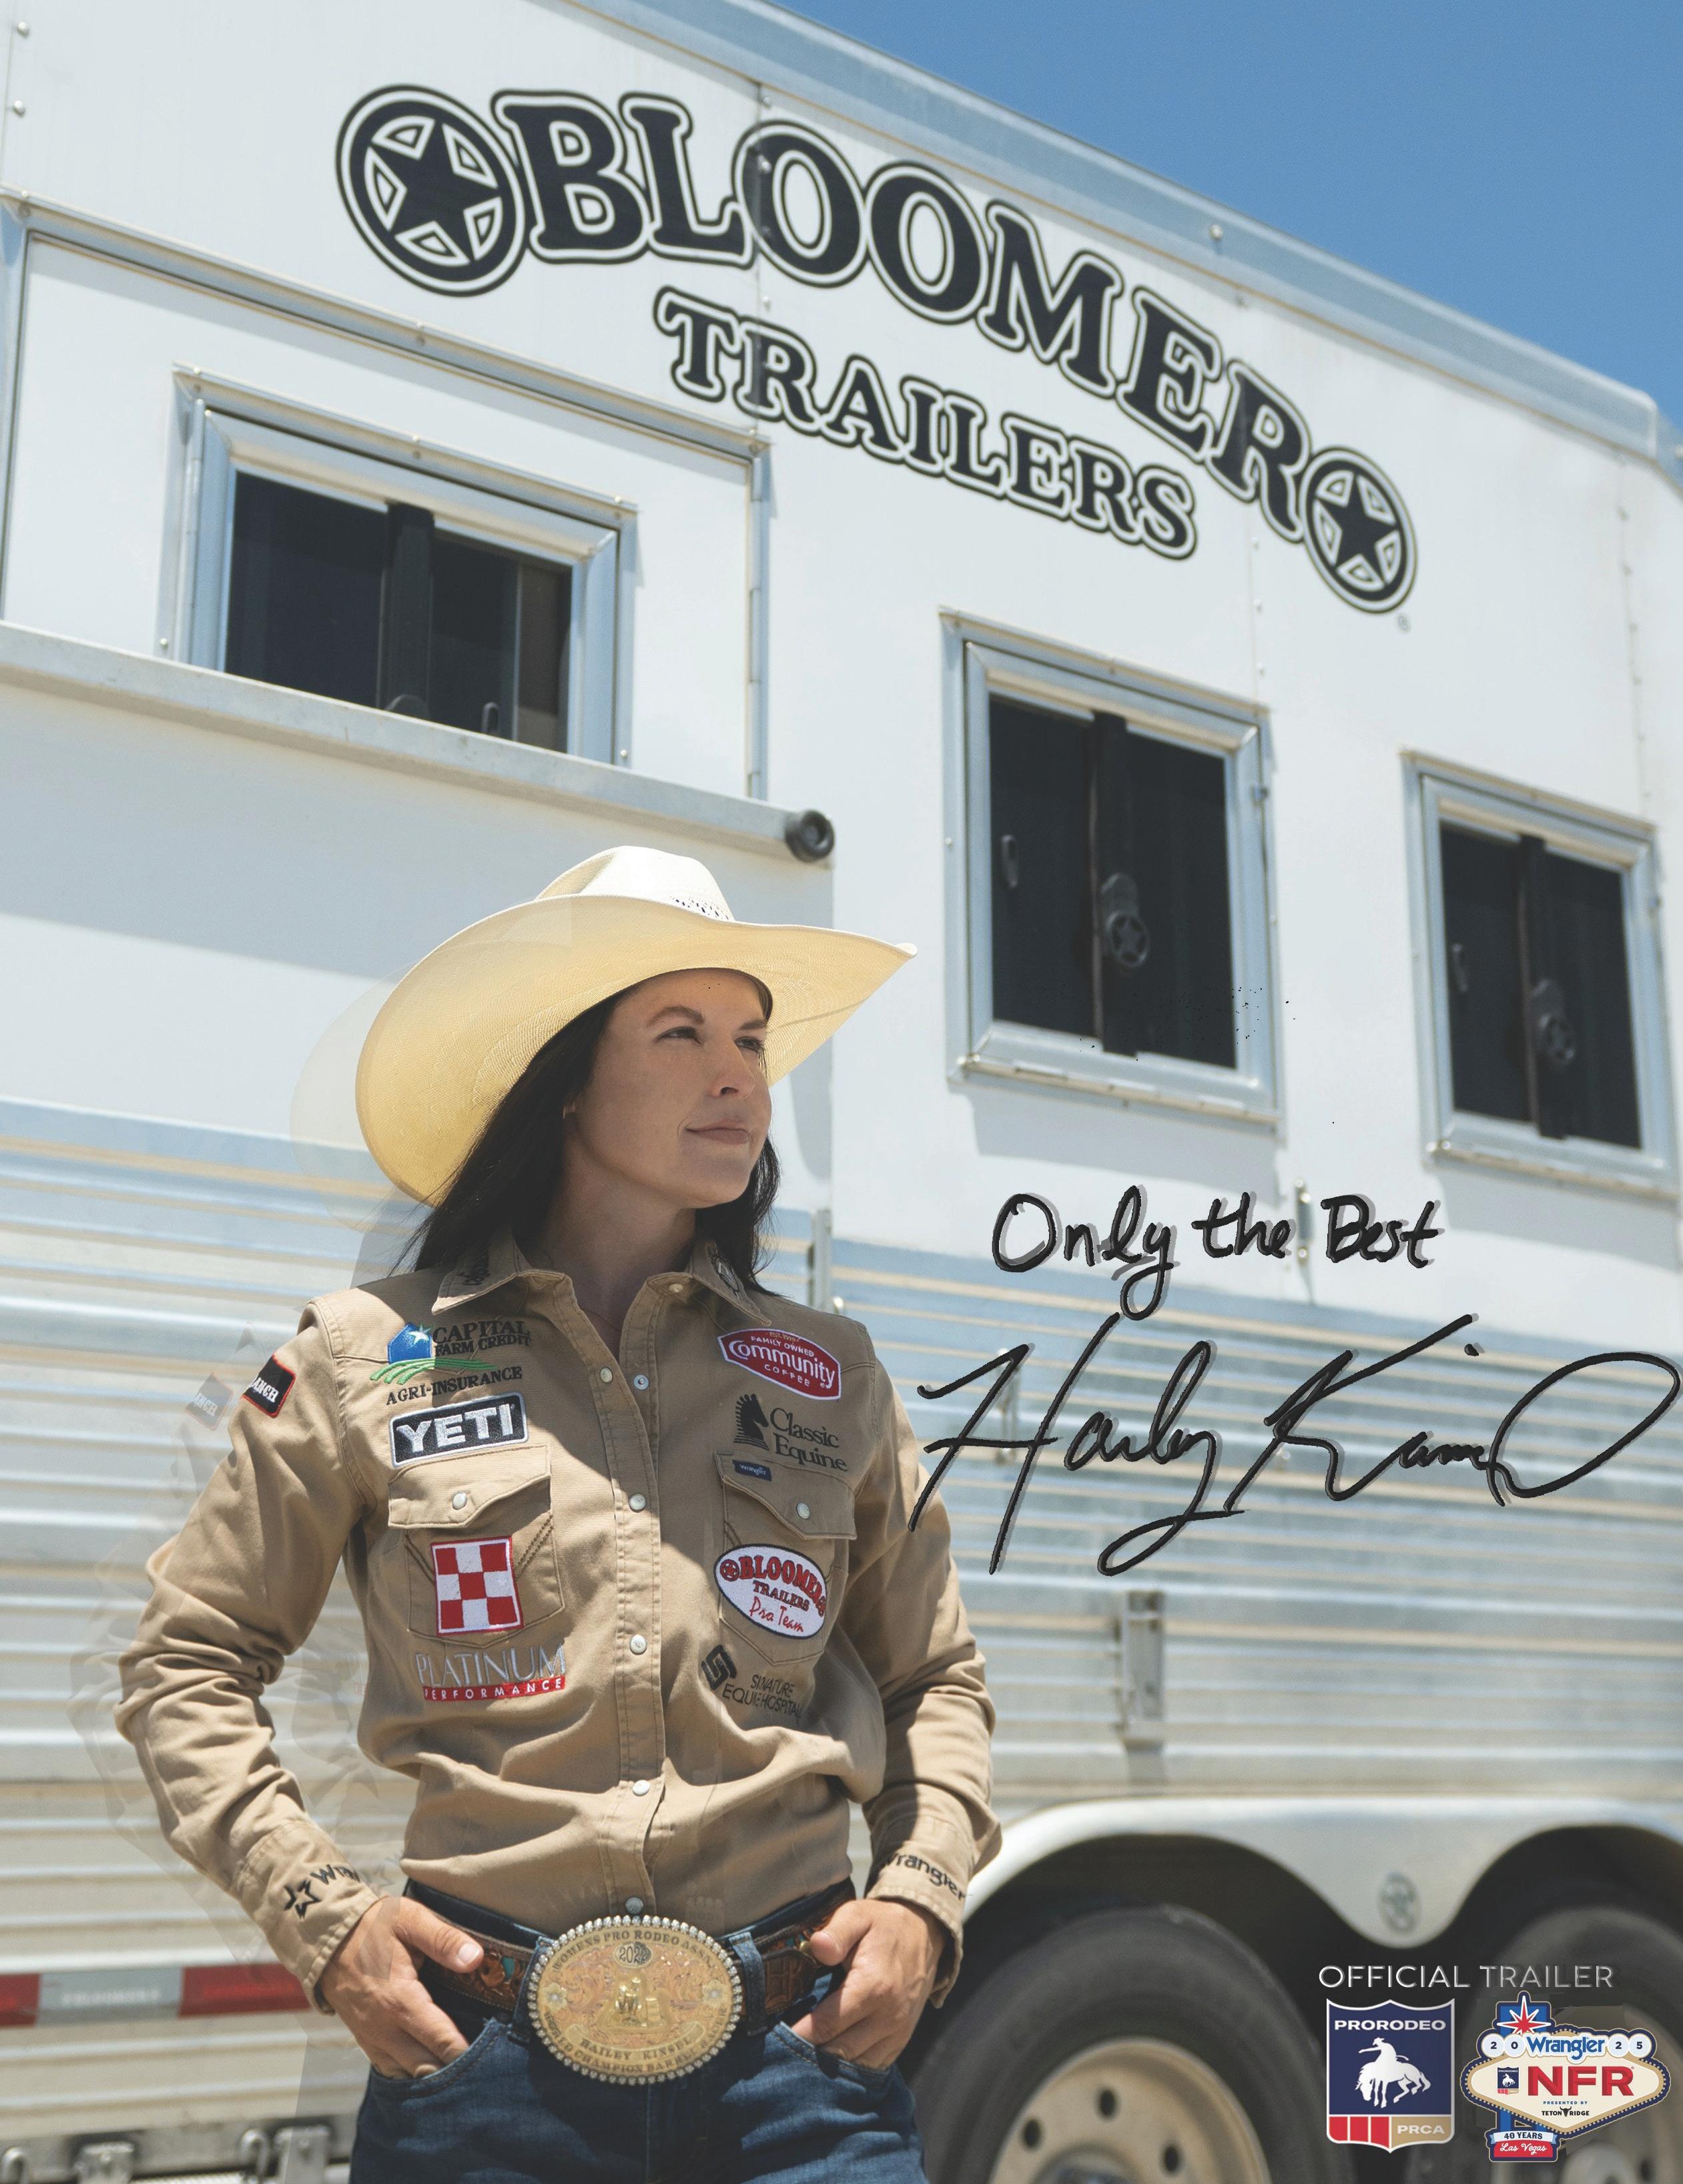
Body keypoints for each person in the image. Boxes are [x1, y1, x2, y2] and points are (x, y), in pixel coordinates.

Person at [116, 845, 1000, 2183]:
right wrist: (326, 1921)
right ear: (567, 1074)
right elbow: (186, 1663)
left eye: (752, 1040)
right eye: (683, 1032)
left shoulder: (833, 1373)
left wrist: (921, 1898)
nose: (740, 1078)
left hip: (800, 2064)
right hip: (481, 2067)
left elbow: (933, 1676)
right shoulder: (363, 1357)